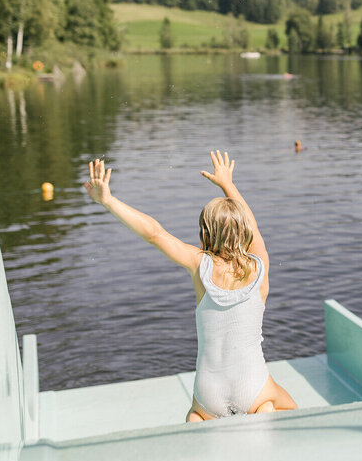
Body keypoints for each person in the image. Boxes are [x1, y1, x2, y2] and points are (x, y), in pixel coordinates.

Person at [84, 151, 297, 420]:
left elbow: (155, 233)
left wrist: (109, 201)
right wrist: (227, 184)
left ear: (204, 233)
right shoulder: (260, 266)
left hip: (209, 393)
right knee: (289, 407)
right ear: (245, 232)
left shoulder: (200, 265)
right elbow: (253, 225)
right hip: (253, 388)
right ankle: (264, 410)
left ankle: (196, 420)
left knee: (196, 416)